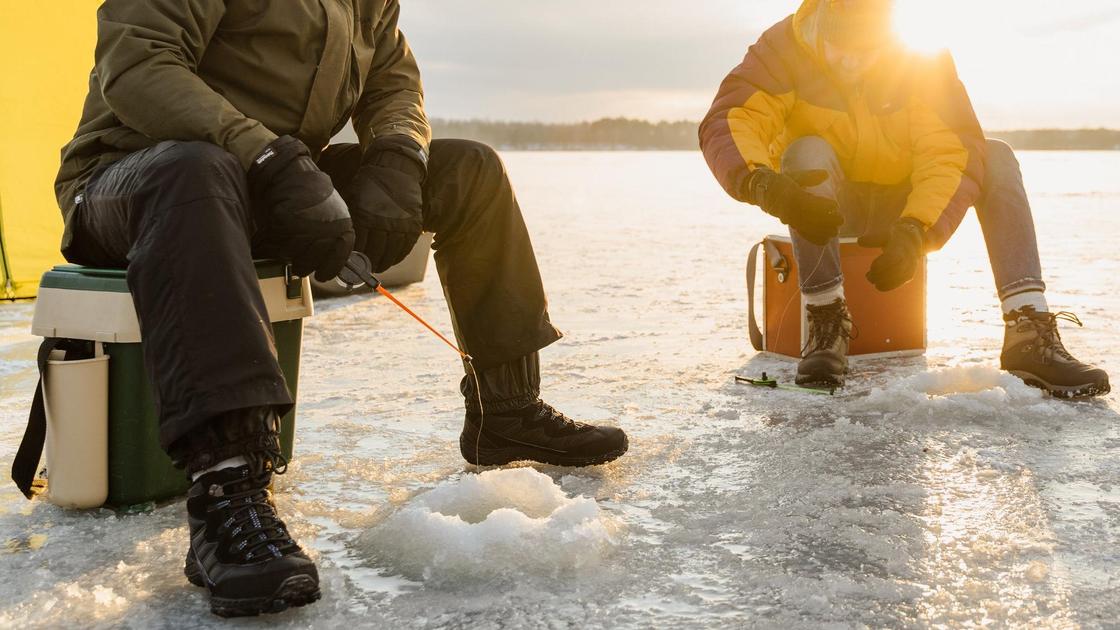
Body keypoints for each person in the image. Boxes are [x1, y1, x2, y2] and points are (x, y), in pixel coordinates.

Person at [54, 0, 628, 617]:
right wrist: (271, 156)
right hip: (134, 180)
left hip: (271, 179)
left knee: (469, 171)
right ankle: (226, 487)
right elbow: (138, 66)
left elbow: (393, 83)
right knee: (196, 169)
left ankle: (506, 408)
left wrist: (397, 159)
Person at [700, 0, 1109, 396]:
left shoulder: (921, 59)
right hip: (820, 208)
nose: (849, 64)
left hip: (901, 213)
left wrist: (917, 228)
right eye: (839, 50)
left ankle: (1026, 326)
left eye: (864, 53)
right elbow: (732, 117)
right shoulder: (785, 47)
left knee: (995, 156)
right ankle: (825, 320)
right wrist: (763, 185)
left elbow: (950, 148)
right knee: (806, 149)